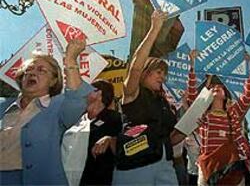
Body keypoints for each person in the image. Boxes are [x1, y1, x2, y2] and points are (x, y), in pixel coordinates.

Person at [0, 39, 94, 185]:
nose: (32, 73)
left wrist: (70, 59)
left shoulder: (58, 106)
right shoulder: (2, 106)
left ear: (53, 81)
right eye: (28, 70)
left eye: (41, 70)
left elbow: (77, 97)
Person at [171, 50, 250, 185]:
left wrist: (249, 67)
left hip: (230, 165)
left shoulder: (233, 112)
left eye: (220, 87)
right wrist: (192, 65)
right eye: (213, 87)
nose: (216, 87)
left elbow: (248, 95)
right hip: (208, 166)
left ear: (225, 94)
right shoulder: (202, 112)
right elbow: (192, 93)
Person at [112, 10, 178, 185]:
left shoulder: (163, 103)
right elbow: (135, 67)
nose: (162, 77)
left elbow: (171, 137)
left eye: (164, 74)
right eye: (158, 72)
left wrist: (192, 123)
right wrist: (154, 29)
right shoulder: (133, 92)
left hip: (165, 164)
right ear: (145, 73)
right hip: (137, 162)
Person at [62, 79, 122, 186]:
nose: (83, 93)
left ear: (99, 93)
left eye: (87, 89)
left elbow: (121, 144)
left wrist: (109, 140)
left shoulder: (113, 118)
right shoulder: (75, 118)